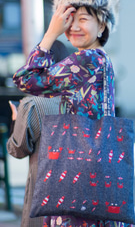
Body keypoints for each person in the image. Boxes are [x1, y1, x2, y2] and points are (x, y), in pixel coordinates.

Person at [12, 0, 131, 227]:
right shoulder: (99, 61)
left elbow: (24, 80)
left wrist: (50, 33)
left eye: (84, 19)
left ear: (102, 25)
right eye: (68, 19)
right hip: (92, 172)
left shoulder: (87, 59)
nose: (73, 26)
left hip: (78, 175)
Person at [7, 40, 69, 227]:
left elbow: (17, 149)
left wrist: (17, 120)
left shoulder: (33, 104)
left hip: (43, 194)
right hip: (79, 192)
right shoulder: (85, 99)